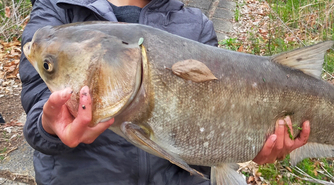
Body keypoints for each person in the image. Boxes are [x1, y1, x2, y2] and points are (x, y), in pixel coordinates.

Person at [19, 0, 311, 184]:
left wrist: (253, 142)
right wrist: (49, 125)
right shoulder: (57, 8)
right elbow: (36, 103)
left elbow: (216, 115)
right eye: (48, 66)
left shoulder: (196, 25)